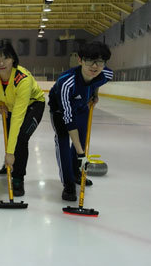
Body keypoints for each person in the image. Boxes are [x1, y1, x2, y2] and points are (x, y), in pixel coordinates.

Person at [48, 41, 112, 201]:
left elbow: (99, 80)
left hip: (82, 106)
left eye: (100, 61)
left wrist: (94, 94)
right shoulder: (66, 82)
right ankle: (68, 184)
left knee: (81, 140)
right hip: (60, 111)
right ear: (80, 60)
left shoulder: (106, 74)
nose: (95, 66)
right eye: (90, 60)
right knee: (63, 143)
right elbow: (68, 119)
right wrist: (81, 154)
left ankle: (76, 173)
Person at [0, 40, 45, 196]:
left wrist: (10, 152)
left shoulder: (22, 80)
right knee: (10, 137)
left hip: (33, 105)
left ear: (13, 59)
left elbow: (18, 117)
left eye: (6, 57)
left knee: (21, 138)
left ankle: (18, 178)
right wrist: (0, 104)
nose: (2, 62)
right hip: (10, 106)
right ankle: (8, 164)